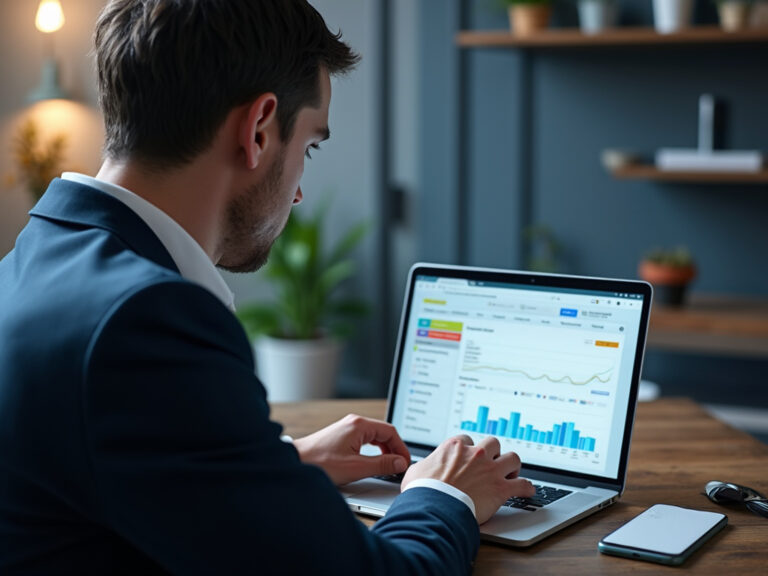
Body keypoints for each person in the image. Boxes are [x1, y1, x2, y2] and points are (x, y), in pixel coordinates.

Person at [0, 1, 534, 573]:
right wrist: (442, 493)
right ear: (258, 129)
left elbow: (104, 470)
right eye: (309, 147)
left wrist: (279, 466)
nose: (299, 192)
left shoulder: (31, 262)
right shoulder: (146, 321)